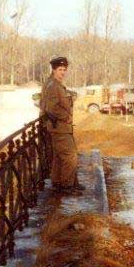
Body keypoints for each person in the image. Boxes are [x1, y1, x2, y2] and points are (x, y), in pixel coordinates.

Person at [40, 56, 82, 193]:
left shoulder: (54, 83)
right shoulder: (53, 85)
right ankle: (67, 185)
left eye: (64, 69)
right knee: (71, 155)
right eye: (60, 69)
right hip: (59, 127)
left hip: (58, 126)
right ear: (53, 69)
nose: (63, 72)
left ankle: (57, 182)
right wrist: (67, 117)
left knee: (59, 155)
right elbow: (52, 108)